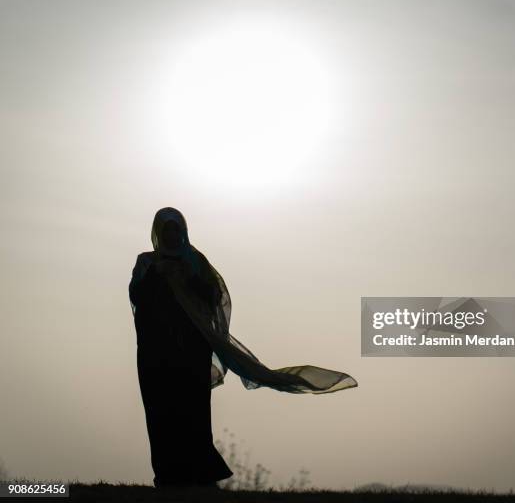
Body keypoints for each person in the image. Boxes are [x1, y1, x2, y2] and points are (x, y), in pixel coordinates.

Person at [128, 207, 357, 488]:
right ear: (158, 233)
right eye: (167, 230)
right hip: (158, 354)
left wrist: (189, 277)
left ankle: (201, 477)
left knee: (194, 414)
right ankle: (168, 477)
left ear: (184, 232)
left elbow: (214, 296)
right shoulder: (146, 263)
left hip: (191, 352)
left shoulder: (195, 261)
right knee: (161, 413)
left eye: (177, 230)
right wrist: (156, 275)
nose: (172, 236)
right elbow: (137, 296)